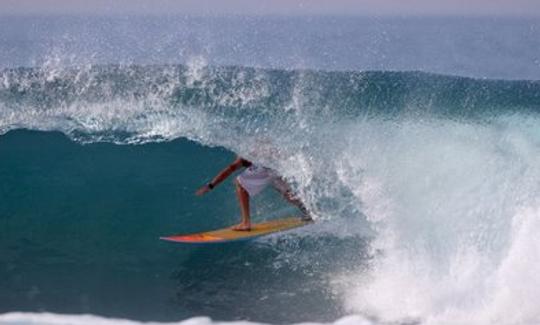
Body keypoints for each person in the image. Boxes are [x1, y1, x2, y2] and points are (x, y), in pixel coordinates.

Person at [196, 157, 311, 231]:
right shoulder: (255, 147)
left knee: (240, 182)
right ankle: (309, 212)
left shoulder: (244, 155)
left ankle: (246, 223)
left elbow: (230, 168)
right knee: (287, 194)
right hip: (277, 164)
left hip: (267, 166)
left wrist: (210, 186)